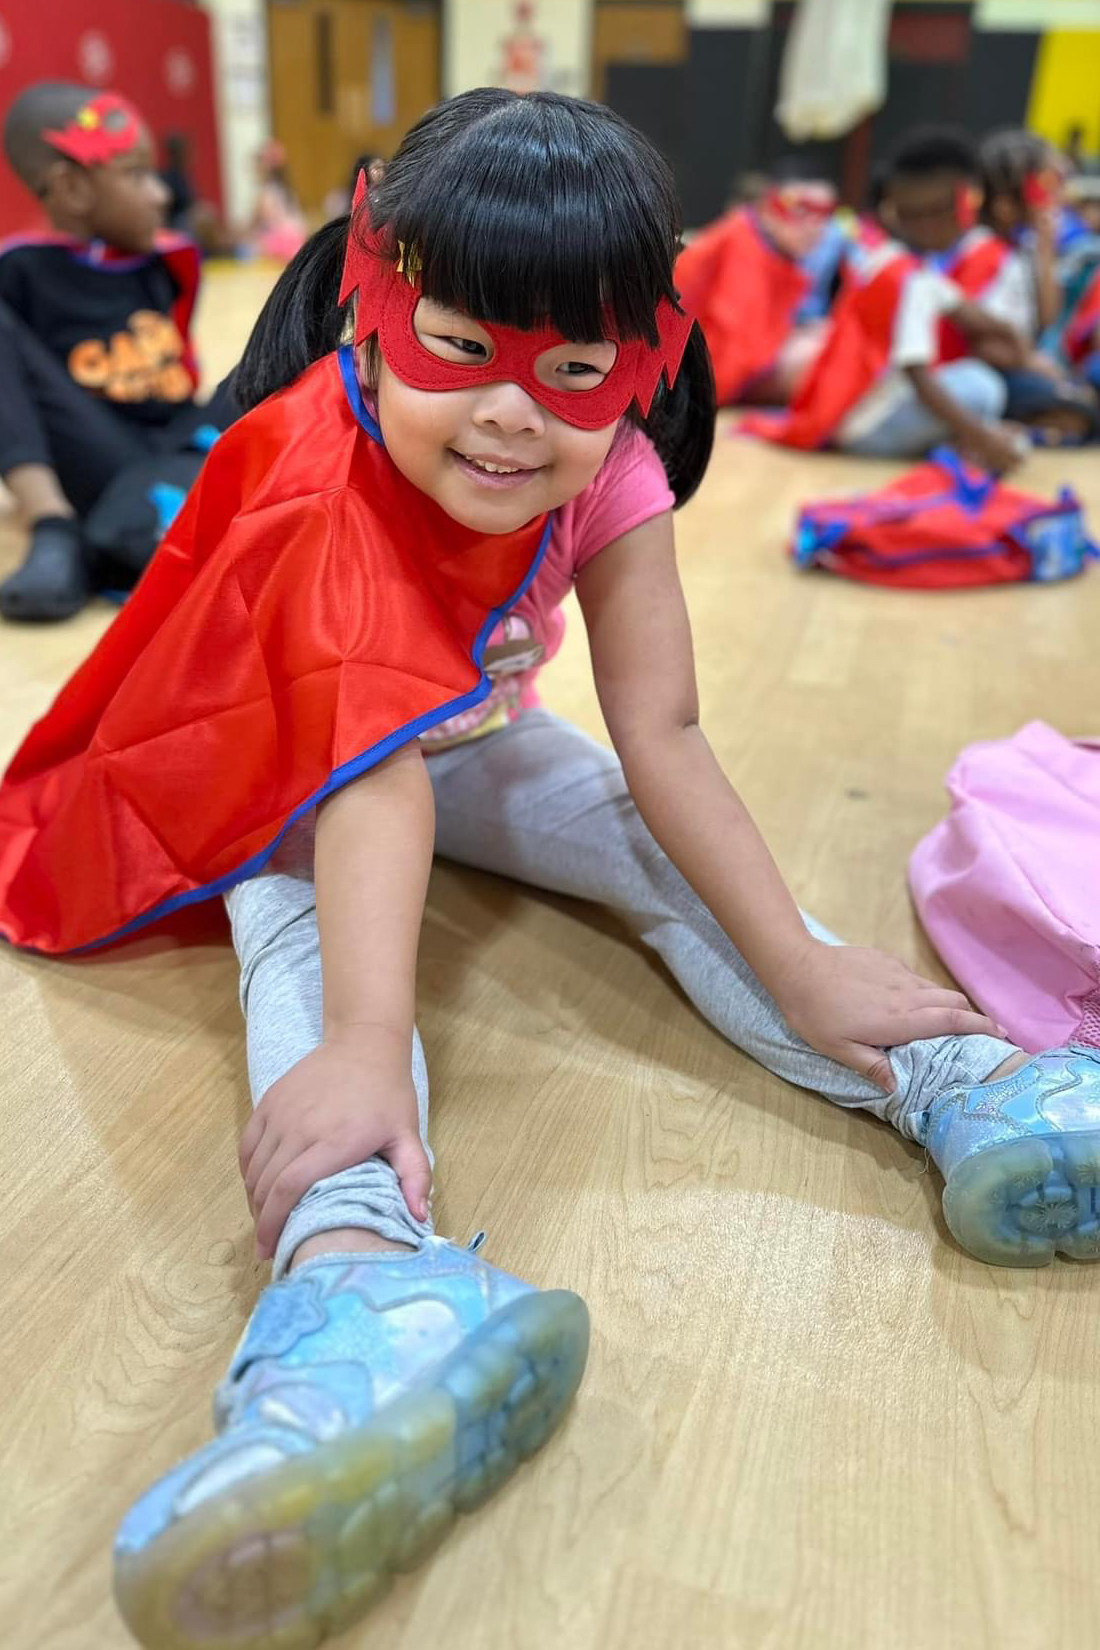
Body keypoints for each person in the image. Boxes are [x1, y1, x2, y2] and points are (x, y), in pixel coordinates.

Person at [2, 90, 1098, 1650]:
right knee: (304, 954)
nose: (518, 416)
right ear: (376, 312)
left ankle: (959, 1075)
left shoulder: (605, 456)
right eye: (463, 350)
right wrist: (372, 1047)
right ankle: (359, 1275)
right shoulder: (319, 476)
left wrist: (801, 957)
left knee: (657, 848)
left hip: (447, 733)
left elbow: (662, 728)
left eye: (578, 371)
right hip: (261, 767)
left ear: (642, 357)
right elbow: (363, 773)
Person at [0, 83, 238, 621]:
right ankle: (54, 527)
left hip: (182, 444)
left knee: (280, 353)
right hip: (105, 456)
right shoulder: (23, 270)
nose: (160, 194)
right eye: (136, 174)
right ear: (73, 190)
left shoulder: (161, 262)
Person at [742, 127, 1030, 469]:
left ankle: (963, 438)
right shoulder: (909, 277)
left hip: (849, 412)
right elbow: (918, 372)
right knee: (982, 385)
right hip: (862, 428)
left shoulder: (897, 263)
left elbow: (987, 327)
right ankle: (967, 442)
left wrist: (1011, 342)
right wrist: (982, 437)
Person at [976, 127, 1098, 443]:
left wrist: (1045, 251)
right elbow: (984, 344)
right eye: (1044, 186)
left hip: (1021, 367)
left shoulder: (1027, 247)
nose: (1054, 197)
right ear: (1004, 205)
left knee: (1083, 406)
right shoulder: (983, 252)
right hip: (993, 372)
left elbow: (1047, 319)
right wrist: (1033, 364)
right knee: (1079, 413)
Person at [674, 172, 836, 405]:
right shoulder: (742, 243)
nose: (814, 226)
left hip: (703, 375)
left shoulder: (776, 252)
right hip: (685, 382)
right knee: (818, 349)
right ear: (769, 210)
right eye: (801, 210)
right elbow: (729, 357)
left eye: (825, 214)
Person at [246, 137, 307, 262]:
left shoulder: (267, 193)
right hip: (295, 237)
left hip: (279, 241)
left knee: (248, 248)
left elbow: (257, 222)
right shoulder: (286, 190)